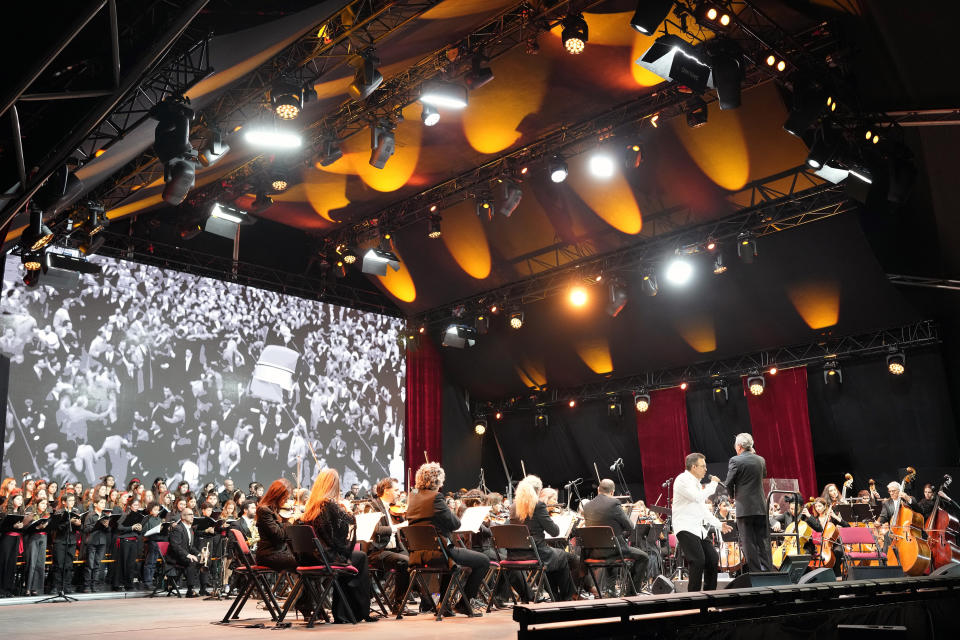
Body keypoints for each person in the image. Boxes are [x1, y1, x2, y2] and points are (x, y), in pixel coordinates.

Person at [406, 462, 489, 616]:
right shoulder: (436, 497)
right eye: (441, 480)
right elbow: (455, 524)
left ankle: (444, 606)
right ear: (436, 481)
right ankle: (464, 604)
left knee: (450, 563)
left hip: (417, 553)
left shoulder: (413, 496)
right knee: (483, 561)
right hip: (439, 552)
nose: (442, 483)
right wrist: (449, 510)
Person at [301, 469, 376, 623]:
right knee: (360, 557)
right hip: (326, 558)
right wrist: (347, 511)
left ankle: (343, 612)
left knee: (354, 558)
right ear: (334, 485)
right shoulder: (329, 505)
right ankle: (354, 612)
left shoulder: (311, 506)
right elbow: (339, 538)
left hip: (310, 558)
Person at [510, 477, 578, 601]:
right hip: (536, 553)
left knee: (555, 557)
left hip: (516, 554)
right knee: (564, 556)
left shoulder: (513, 506)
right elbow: (554, 531)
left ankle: (555, 595)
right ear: (537, 491)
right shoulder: (538, 505)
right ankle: (567, 597)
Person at [673, 453, 731, 591]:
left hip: (698, 529)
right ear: (693, 467)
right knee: (697, 560)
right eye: (703, 466)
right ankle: (694, 598)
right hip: (685, 527)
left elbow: (703, 509)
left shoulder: (697, 484)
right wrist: (713, 485)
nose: (706, 469)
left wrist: (719, 524)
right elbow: (696, 497)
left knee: (712, 558)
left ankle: (709, 595)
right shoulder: (682, 480)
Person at [582, 478, 649, 593]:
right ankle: (631, 593)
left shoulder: (587, 506)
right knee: (643, 557)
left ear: (598, 489)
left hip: (594, 551)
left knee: (612, 548)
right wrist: (620, 529)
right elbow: (630, 527)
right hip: (613, 551)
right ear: (612, 492)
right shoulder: (614, 503)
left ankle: (610, 590)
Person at [724, 433, 772, 572]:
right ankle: (768, 571)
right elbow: (763, 475)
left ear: (739, 446)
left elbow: (728, 482)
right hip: (761, 507)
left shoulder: (735, 460)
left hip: (744, 508)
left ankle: (756, 573)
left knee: (748, 542)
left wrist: (732, 496)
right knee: (764, 541)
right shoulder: (760, 459)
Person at [368, 477, 416, 615]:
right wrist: (398, 526)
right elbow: (375, 530)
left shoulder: (390, 508)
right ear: (386, 491)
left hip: (394, 549)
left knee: (416, 559)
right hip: (377, 551)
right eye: (395, 490)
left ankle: (423, 600)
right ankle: (399, 604)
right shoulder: (373, 506)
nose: (398, 493)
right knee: (404, 562)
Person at [254, 479, 298, 572]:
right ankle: (304, 586)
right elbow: (279, 536)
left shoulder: (276, 510)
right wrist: (290, 520)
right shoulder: (264, 510)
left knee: (307, 560)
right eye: (285, 498)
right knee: (302, 563)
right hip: (269, 554)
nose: (286, 501)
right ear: (277, 496)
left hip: (281, 552)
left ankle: (303, 586)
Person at [166, 508, 207, 596]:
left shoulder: (190, 529)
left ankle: (203, 588)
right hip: (175, 557)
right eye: (190, 514)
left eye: (193, 514)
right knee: (192, 561)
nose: (193, 516)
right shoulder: (178, 528)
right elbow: (175, 546)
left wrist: (200, 554)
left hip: (183, 555)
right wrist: (188, 555)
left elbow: (191, 547)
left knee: (205, 560)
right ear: (183, 517)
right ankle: (190, 590)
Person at [49, 492, 82, 595]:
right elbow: (56, 527)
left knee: (68, 565)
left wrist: (78, 524)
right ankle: (56, 586)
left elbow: (79, 528)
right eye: (70, 500)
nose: (72, 502)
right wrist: (69, 522)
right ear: (64, 502)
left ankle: (67, 586)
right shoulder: (59, 512)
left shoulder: (76, 511)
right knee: (58, 565)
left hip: (71, 541)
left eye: (73, 500)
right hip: (60, 541)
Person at [112, 496, 143, 591]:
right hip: (125, 541)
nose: (136, 507)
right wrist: (132, 527)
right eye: (134, 505)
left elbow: (139, 530)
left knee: (131, 564)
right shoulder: (125, 514)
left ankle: (129, 584)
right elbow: (119, 528)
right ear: (130, 506)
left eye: (138, 505)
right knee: (122, 563)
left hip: (134, 541)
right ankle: (118, 584)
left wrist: (140, 528)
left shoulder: (139, 516)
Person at [82, 496, 111, 592]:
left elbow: (109, 530)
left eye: (104, 503)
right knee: (90, 564)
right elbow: (85, 529)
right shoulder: (90, 515)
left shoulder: (105, 515)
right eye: (101, 503)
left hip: (102, 542)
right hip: (92, 541)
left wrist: (106, 526)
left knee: (97, 564)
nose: (103, 505)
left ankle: (94, 585)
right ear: (95, 504)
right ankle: (87, 585)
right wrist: (97, 525)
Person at [23, 496, 50, 595]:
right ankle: (28, 588)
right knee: (32, 563)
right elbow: (26, 528)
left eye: (45, 504)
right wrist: (37, 527)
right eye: (42, 503)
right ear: (37, 504)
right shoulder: (32, 514)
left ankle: (36, 588)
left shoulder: (47, 515)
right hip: (33, 538)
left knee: (40, 563)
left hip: (43, 538)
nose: (44, 506)